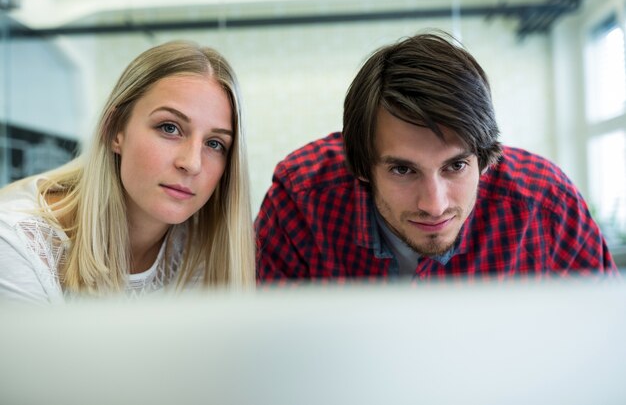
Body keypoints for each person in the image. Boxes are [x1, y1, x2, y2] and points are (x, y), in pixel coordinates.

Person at [256, 31, 618, 281]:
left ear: (485, 158)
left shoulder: (545, 203)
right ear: (364, 166)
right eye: (402, 169)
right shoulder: (301, 198)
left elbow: (608, 343)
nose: (434, 204)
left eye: (456, 166)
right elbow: (265, 354)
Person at [0, 40, 255, 303]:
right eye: (169, 128)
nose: (192, 163)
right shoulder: (14, 240)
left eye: (214, 144)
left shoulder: (206, 249)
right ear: (114, 130)